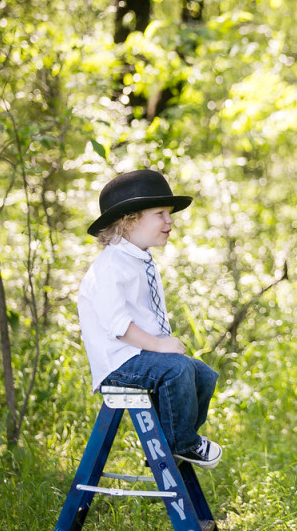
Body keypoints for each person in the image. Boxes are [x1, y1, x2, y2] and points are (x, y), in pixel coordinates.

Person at [77, 169, 222, 469]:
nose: (170, 221)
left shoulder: (140, 259)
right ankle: (180, 443)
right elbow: (118, 327)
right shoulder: (109, 267)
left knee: (204, 375)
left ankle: (172, 441)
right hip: (118, 362)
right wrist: (159, 345)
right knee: (178, 369)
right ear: (129, 221)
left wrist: (160, 347)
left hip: (140, 356)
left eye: (169, 214)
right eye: (160, 213)